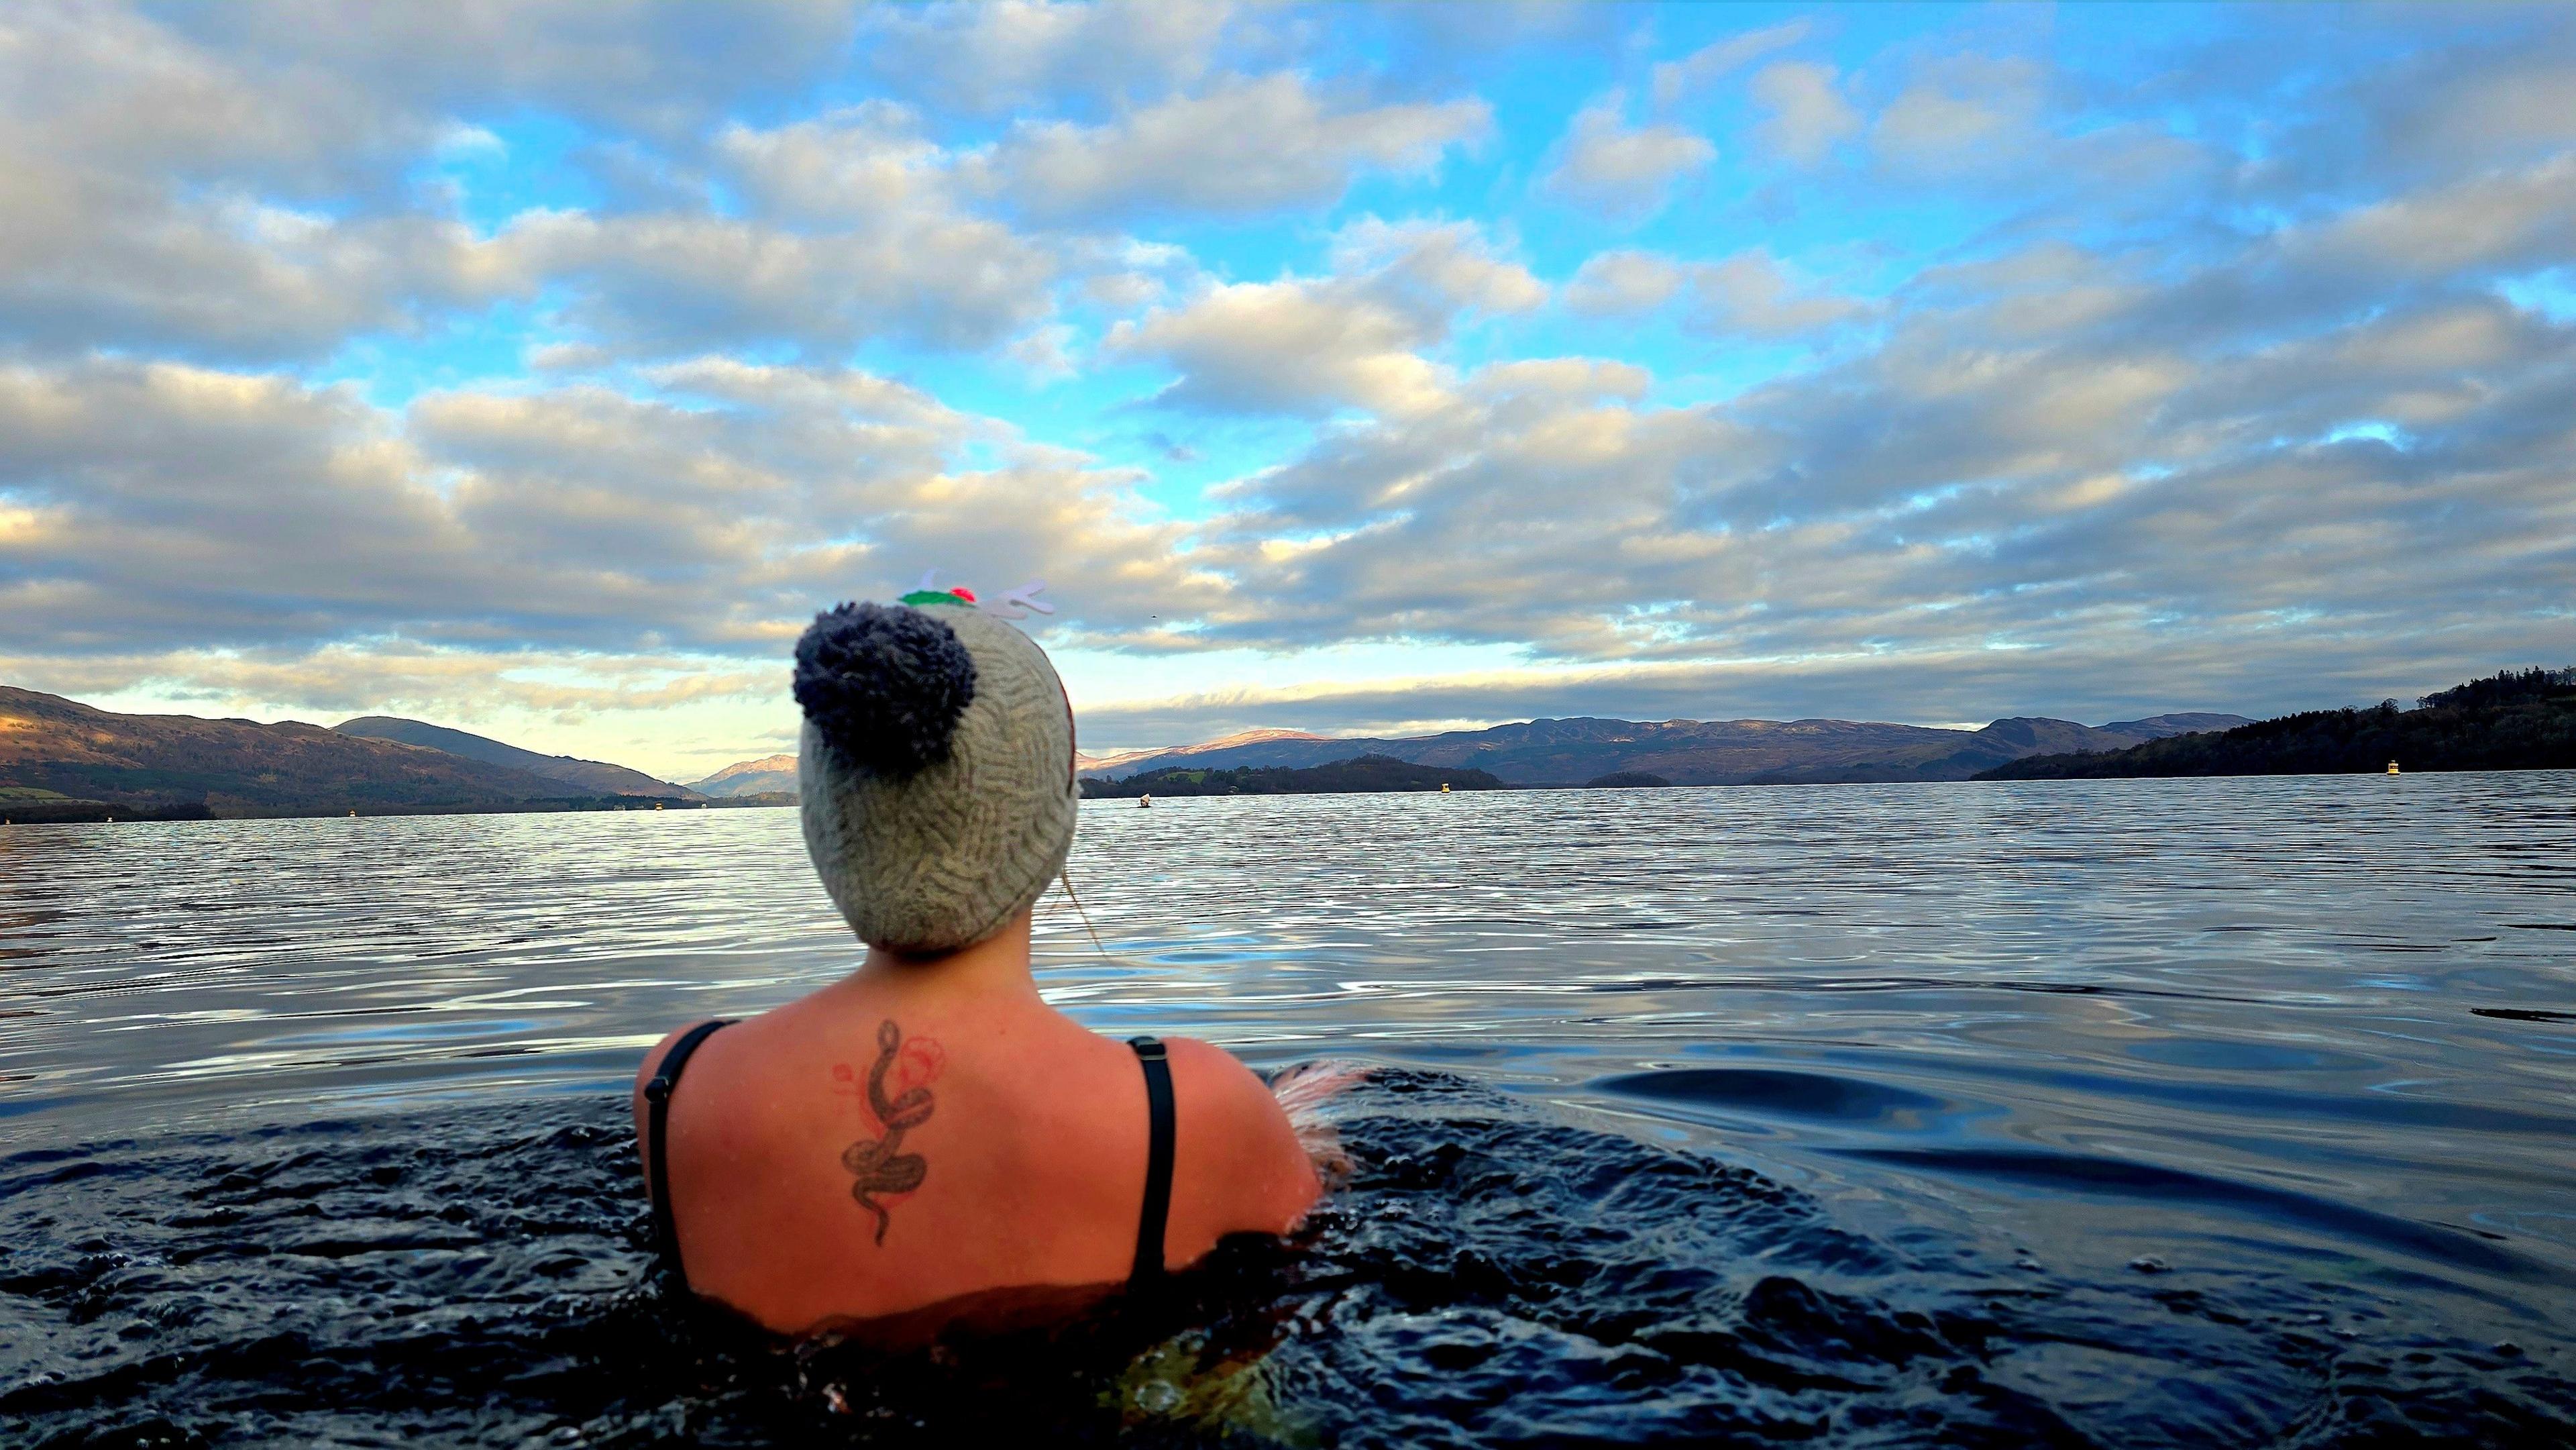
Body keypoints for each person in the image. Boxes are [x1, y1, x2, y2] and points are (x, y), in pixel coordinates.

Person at [633, 592, 1321, 1337]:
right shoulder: (1189, 1109)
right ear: (1052, 811)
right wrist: (1286, 1140)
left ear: (827, 820)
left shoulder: (678, 1085)